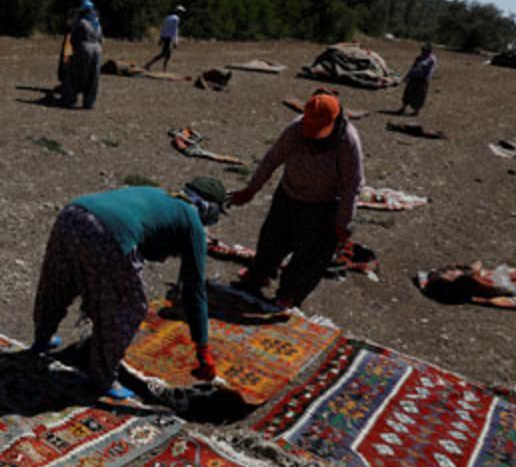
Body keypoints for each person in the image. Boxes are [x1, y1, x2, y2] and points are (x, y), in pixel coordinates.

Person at [30, 177, 227, 400]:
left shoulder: (157, 195)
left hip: (72, 214)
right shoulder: (192, 223)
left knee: (59, 280)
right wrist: (203, 349)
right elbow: (195, 290)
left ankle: (43, 337)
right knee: (127, 308)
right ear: (208, 208)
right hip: (108, 234)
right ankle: (103, 376)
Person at [229, 92, 365, 309]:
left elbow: (352, 185)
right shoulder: (296, 129)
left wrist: (343, 223)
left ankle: (289, 294)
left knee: (310, 256)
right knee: (271, 240)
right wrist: (251, 189)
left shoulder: (347, 141)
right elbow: (273, 158)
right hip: (289, 194)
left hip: (325, 204)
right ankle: (259, 275)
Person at [58, 0, 103, 109]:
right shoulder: (95, 18)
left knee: (74, 73)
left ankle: (70, 99)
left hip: (84, 47)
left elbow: (71, 33)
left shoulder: (80, 16)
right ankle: (89, 102)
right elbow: (101, 37)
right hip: (97, 48)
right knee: (93, 77)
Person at [397, 42, 437, 115]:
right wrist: (407, 76)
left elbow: (431, 70)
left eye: (424, 49)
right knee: (408, 92)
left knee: (420, 95)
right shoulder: (419, 57)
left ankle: (416, 111)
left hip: (422, 79)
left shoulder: (431, 59)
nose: (423, 51)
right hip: (414, 77)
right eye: (422, 49)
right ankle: (403, 108)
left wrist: (427, 79)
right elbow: (413, 67)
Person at [144, 5, 185, 72]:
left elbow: (163, 28)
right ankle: (149, 64)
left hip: (164, 37)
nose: (182, 14)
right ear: (179, 12)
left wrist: (161, 38)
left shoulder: (167, 18)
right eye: (181, 12)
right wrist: (175, 41)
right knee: (164, 54)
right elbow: (175, 30)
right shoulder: (176, 19)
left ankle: (163, 69)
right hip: (169, 38)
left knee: (167, 54)